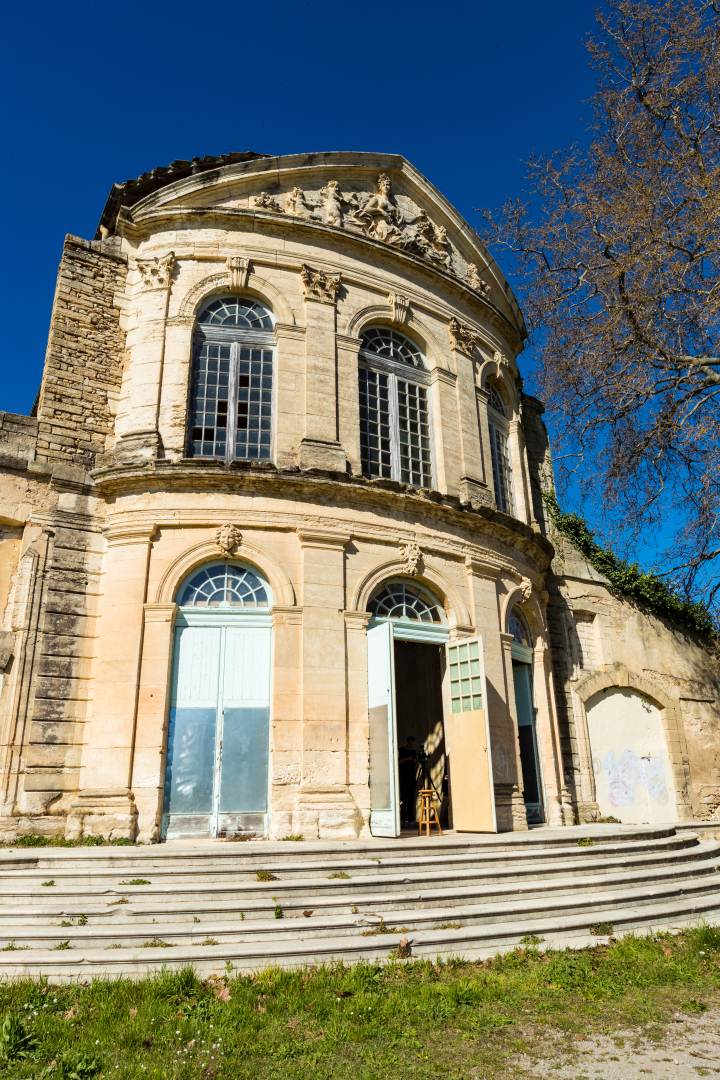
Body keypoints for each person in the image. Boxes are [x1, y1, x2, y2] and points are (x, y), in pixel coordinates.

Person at [398, 736, 419, 826]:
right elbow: (397, 762)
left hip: (411, 777)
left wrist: (415, 762)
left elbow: (416, 766)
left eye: (413, 745)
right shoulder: (401, 750)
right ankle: (402, 819)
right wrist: (406, 759)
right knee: (404, 799)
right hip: (403, 777)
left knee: (411, 799)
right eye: (410, 744)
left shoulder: (413, 752)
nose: (411, 746)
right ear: (407, 743)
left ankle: (411, 819)